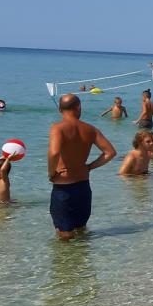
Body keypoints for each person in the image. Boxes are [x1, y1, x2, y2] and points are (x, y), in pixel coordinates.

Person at [47, 94, 116, 240]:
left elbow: (54, 153)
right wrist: (90, 166)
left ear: (60, 109)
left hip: (63, 188)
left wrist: (51, 172)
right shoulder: (90, 129)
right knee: (81, 230)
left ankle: (68, 262)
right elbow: (110, 153)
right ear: (79, 108)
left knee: (65, 235)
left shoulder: (57, 128)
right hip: (83, 186)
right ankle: (82, 261)